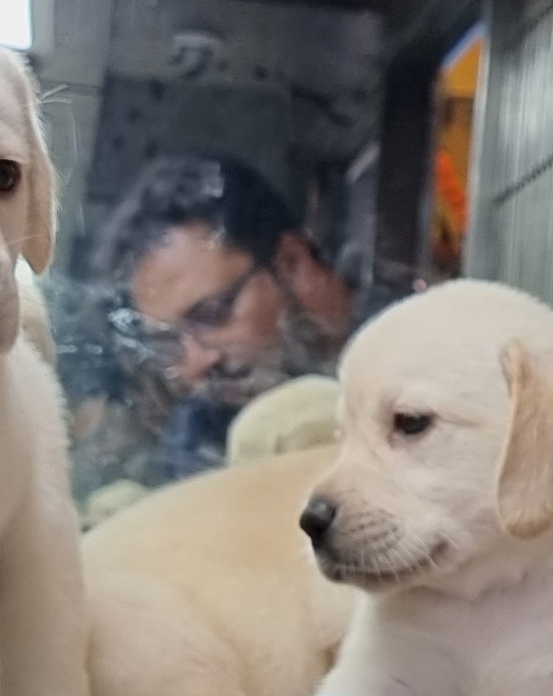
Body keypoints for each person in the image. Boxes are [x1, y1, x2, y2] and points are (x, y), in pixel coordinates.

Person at [51, 155, 357, 494]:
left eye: (212, 314)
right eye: (168, 343)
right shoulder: (201, 433)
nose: (194, 364)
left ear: (291, 263)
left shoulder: (412, 352)